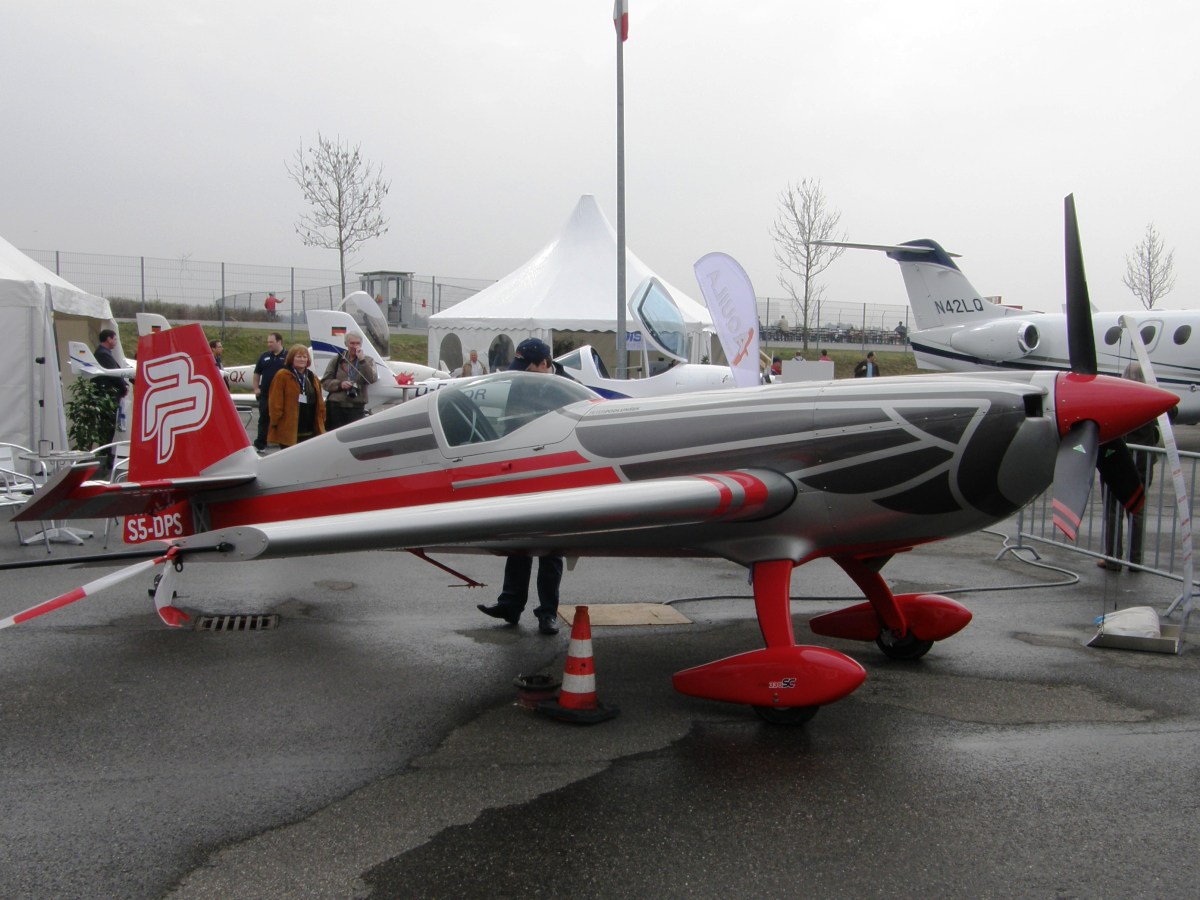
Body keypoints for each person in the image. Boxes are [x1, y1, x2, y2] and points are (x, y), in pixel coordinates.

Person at [477, 337, 566, 635]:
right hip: (523, 473)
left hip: (554, 475)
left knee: (550, 548)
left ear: (545, 364)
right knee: (518, 541)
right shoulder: (519, 383)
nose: (521, 373)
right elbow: (508, 424)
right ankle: (510, 604)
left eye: (528, 367)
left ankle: (547, 613)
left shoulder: (566, 389)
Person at [1099, 363, 1161, 571]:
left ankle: (1113, 558)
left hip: (1118, 462)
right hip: (1144, 462)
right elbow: (1159, 430)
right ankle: (1135, 560)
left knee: (1113, 510)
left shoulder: (1119, 398)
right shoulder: (1150, 398)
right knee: (1137, 511)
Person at [268, 344, 325, 447]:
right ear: (291, 358)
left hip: (310, 429)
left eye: (305, 357)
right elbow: (275, 402)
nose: (302, 359)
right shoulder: (282, 375)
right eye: (298, 356)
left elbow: (320, 402)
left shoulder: (313, 377)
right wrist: (276, 422)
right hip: (289, 429)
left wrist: (321, 418)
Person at [321, 334, 378, 430]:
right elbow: (325, 382)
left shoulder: (368, 360)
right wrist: (340, 384)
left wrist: (362, 361)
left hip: (356, 407)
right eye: (352, 343)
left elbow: (371, 379)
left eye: (358, 343)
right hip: (336, 407)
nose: (355, 346)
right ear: (346, 344)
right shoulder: (337, 360)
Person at [252, 332, 287, 451]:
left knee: (284, 420)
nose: (269, 344)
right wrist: (256, 388)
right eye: (268, 342)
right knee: (263, 419)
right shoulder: (264, 356)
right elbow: (257, 373)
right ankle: (260, 444)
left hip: (283, 396)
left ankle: (284, 445)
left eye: (271, 342)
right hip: (266, 395)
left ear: (279, 342)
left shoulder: (288, 356)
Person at [93, 329, 129, 401]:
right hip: (109, 394)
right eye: (115, 339)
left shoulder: (103, 352)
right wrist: (124, 388)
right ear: (109, 339)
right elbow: (114, 373)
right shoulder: (103, 354)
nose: (116, 342)